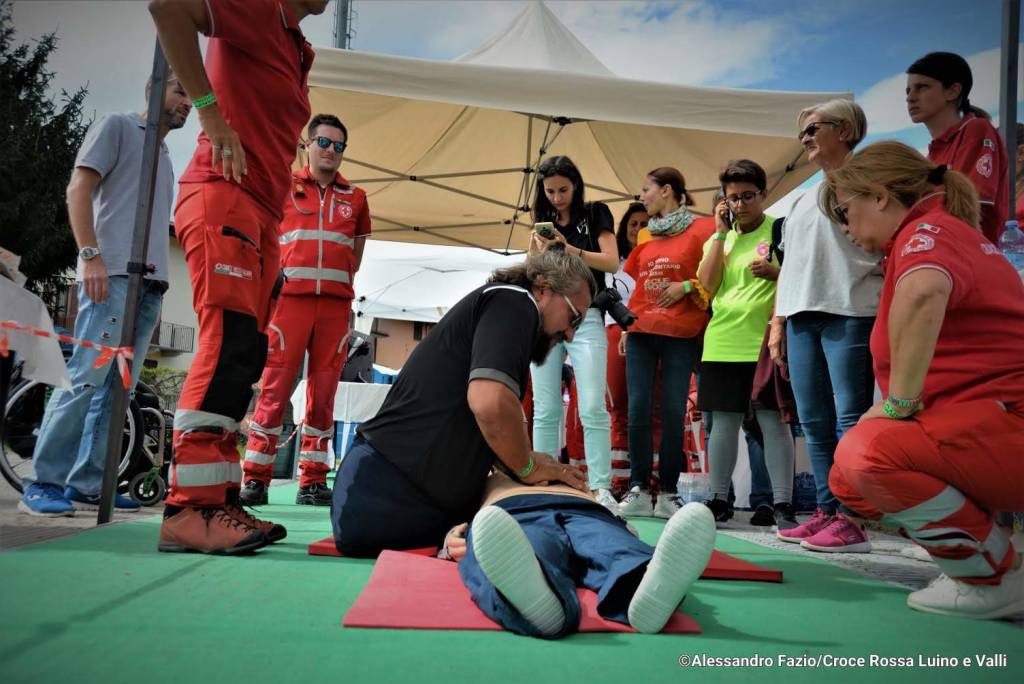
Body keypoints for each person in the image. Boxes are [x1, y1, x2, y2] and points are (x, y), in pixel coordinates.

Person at [149, 0, 330, 554]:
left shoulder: (296, 43)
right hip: (223, 193)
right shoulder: (260, 7)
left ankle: (220, 498)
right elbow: (167, 8)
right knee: (227, 341)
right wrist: (208, 111)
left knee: (247, 351)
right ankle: (188, 510)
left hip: (263, 212)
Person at [821, 140, 1024, 620]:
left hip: (1009, 427)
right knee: (847, 478)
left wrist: (899, 404)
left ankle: (992, 575)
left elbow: (924, 291)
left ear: (879, 195)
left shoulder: (926, 235)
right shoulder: (942, 232)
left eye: (846, 211)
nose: (846, 228)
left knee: (866, 455)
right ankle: (990, 545)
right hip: (996, 425)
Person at [331, 247, 594, 557]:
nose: (571, 334)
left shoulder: (504, 305)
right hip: (386, 497)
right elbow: (490, 402)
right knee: (536, 536)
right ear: (542, 288)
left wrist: (526, 460)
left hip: (382, 494)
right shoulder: (515, 302)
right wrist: (526, 466)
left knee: (532, 529)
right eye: (574, 318)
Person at [19, 75, 191, 517]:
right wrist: (90, 256)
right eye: (179, 91)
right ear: (152, 89)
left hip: (150, 283)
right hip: (112, 275)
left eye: (191, 95)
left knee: (118, 390)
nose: (188, 103)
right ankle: (43, 482)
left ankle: (88, 483)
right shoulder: (117, 127)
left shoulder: (166, 153)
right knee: (85, 379)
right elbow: (79, 188)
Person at [239, 113, 370, 507]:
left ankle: (312, 481)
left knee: (323, 396)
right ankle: (256, 479)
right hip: (289, 305)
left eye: (339, 145)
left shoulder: (357, 198)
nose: (331, 150)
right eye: (324, 143)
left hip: (334, 307)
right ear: (307, 145)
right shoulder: (284, 186)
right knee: (274, 391)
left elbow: (356, 256)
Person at [769, 99, 881, 552]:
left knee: (849, 420)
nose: (806, 138)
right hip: (801, 316)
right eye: (803, 133)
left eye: (814, 128)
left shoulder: (872, 182)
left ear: (847, 129)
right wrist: (778, 322)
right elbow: (792, 265)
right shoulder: (801, 199)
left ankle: (854, 518)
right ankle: (828, 511)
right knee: (813, 423)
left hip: (852, 310)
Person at [439, 470, 716, 638]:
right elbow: (446, 506)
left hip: (585, 510)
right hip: (513, 513)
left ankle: (646, 588)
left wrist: (622, 524)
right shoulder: (483, 468)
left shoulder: (565, 469)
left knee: (617, 547)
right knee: (521, 547)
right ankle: (539, 599)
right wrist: (450, 536)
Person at [696, 160, 796, 529]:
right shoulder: (718, 239)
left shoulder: (780, 230)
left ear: (764, 194)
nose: (740, 204)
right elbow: (707, 285)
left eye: (748, 196)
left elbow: (798, 279)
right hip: (721, 341)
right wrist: (720, 233)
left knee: (772, 423)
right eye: (733, 198)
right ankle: (718, 499)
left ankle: (782, 503)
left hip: (763, 344)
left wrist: (775, 272)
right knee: (722, 424)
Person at [617, 168, 714, 519]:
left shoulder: (703, 228)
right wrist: (627, 328)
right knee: (638, 409)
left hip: (682, 331)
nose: (641, 196)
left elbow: (715, 273)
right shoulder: (644, 234)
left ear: (668, 190)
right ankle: (639, 487)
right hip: (641, 329)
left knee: (674, 412)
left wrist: (687, 286)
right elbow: (638, 287)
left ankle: (669, 492)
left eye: (647, 189)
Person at [528, 156, 619, 512]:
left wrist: (568, 249)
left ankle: (600, 486)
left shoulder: (596, 213)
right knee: (545, 408)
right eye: (549, 191)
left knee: (594, 405)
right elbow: (530, 272)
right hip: (548, 318)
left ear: (576, 185)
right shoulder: (543, 221)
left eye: (563, 189)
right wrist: (539, 250)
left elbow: (611, 261)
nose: (556, 197)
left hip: (588, 314)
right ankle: (546, 481)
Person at [906, 51, 1008, 244]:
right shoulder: (932, 154)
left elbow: (968, 206)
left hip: (969, 257)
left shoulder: (977, 129)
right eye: (908, 90)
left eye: (921, 87)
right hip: (945, 254)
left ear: (952, 91)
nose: (910, 97)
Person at [605, 203, 647, 493]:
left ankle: (649, 478)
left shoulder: (660, 259)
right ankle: (620, 478)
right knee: (619, 405)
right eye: (634, 223)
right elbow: (606, 297)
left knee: (649, 407)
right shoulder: (613, 262)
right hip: (614, 331)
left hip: (650, 333)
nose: (639, 229)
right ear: (624, 227)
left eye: (645, 223)